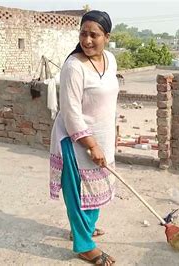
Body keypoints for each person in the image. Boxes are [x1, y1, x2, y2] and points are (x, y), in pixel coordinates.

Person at [49, 10, 118, 265]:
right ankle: (84, 245)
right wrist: (90, 143)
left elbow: (110, 102)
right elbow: (70, 113)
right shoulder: (74, 66)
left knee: (97, 188)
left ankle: (84, 229)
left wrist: (111, 135)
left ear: (107, 37)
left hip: (103, 135)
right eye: (83, 33)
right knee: (78, 192)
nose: (87, 40)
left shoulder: (110, 60)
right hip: (74, 139)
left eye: (94, 35)